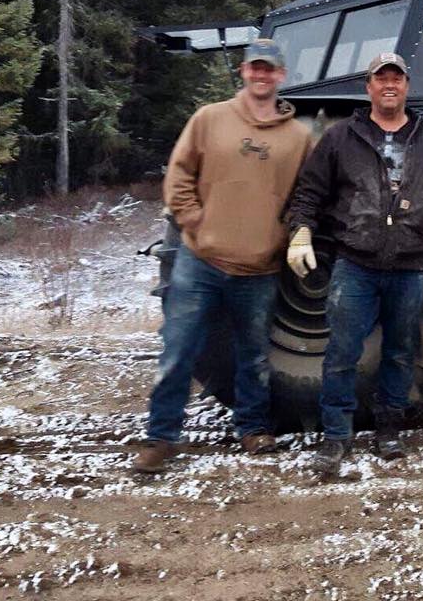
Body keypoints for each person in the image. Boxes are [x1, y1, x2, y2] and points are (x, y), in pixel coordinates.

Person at [286, 52, 423, 478]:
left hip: (411, 266)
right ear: (368, 87)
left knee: (399, 352)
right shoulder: (340, 138)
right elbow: (310, 193)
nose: (389, 85)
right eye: (380, 79)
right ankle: (336, 435)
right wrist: (300, 232)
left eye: (397, 78)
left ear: (407, 86)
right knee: (341, 352)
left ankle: (389, 430)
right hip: (355, 263)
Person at [133, 39, 311, 474]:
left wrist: (283, 238)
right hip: (201, 263)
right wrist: (197, 223)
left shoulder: (299, 137)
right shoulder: (210, 119)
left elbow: (308, 197)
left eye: (270, 69)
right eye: (255, 68)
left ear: (282, 76)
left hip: (260, 269)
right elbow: (179, 174)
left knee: (253, 355)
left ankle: (252, 429)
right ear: (244, 71)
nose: (262, 75)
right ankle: (160, 438)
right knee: (178, 349)